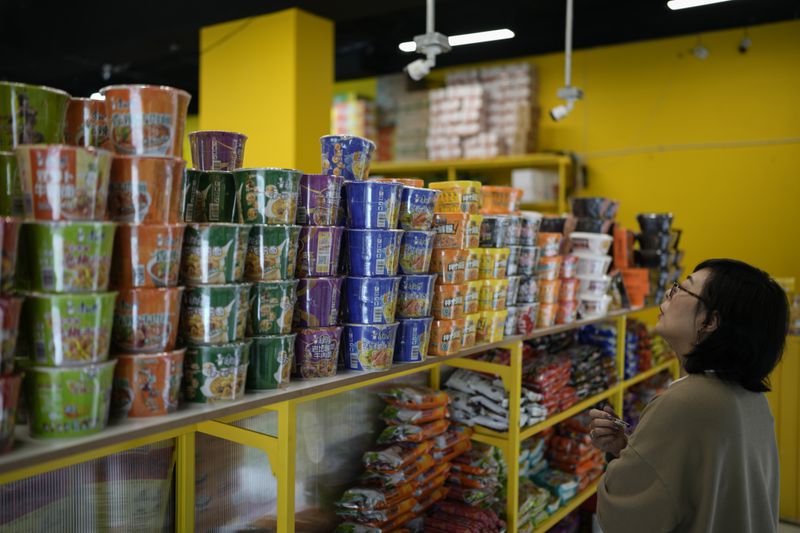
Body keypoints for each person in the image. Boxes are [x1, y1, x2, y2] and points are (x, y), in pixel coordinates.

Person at [589, 259, 789, 533]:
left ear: (710, 321)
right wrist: (628, 449)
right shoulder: (750, 397)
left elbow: (625, 517)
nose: (669, 295)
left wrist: (619, 466)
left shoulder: (685, 403)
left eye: (681, 289)